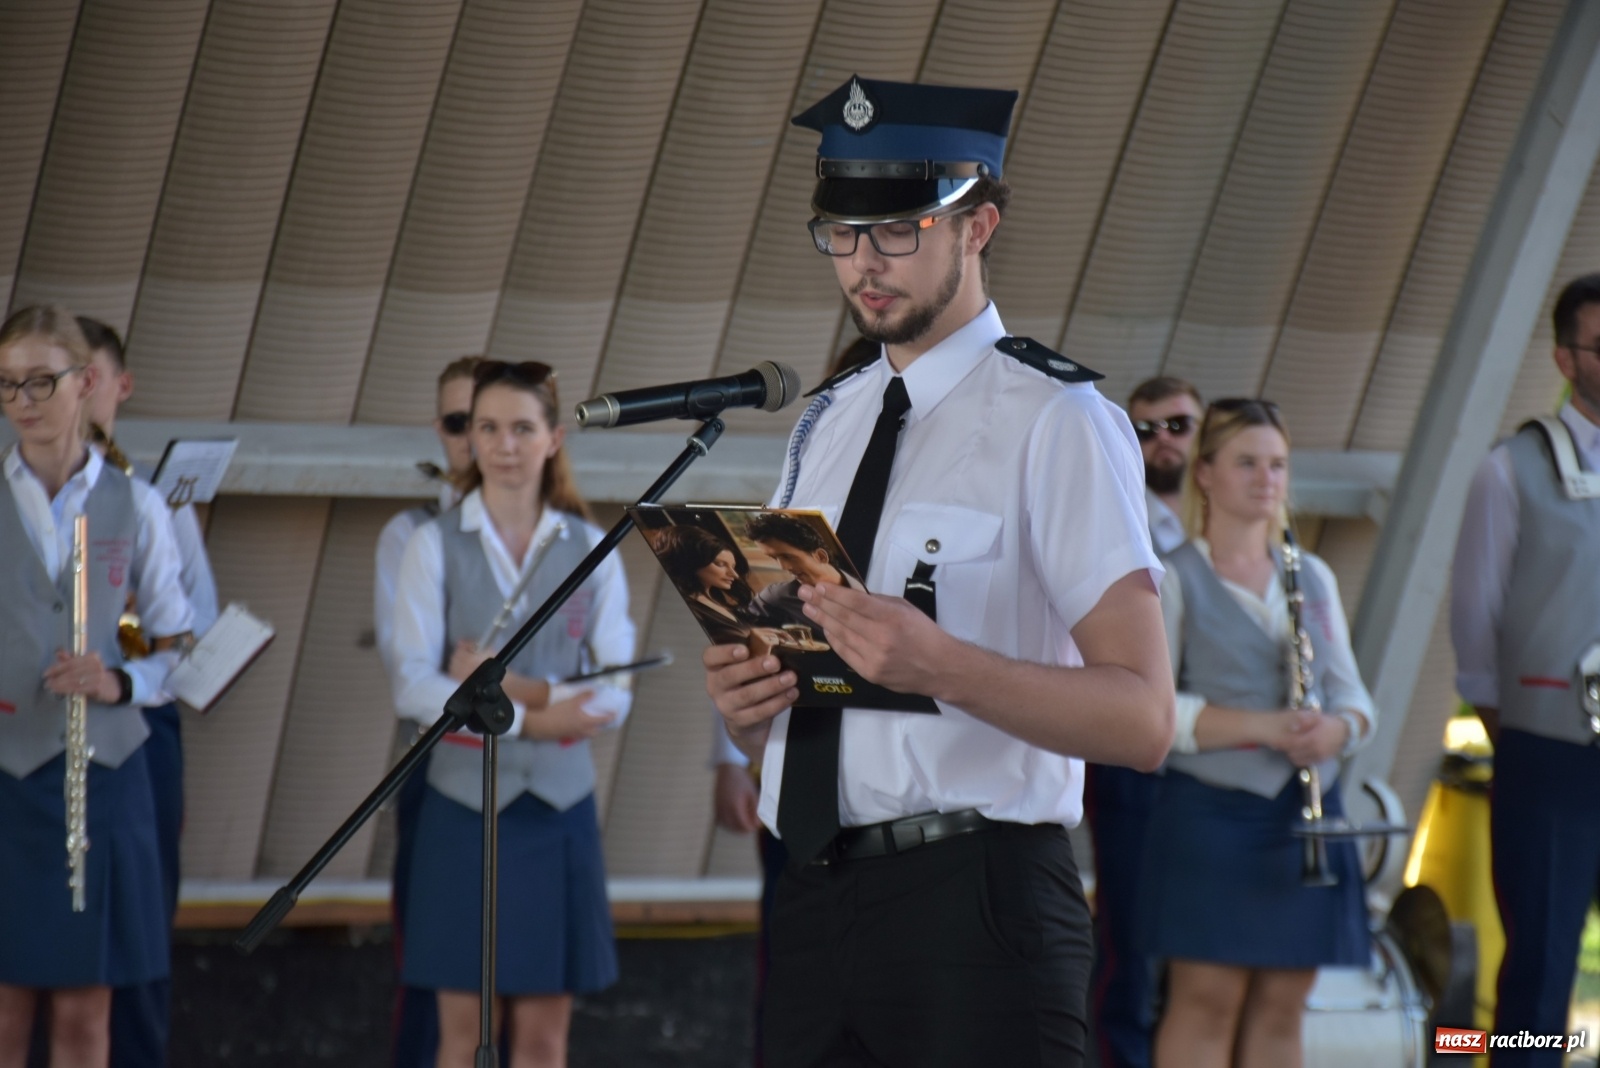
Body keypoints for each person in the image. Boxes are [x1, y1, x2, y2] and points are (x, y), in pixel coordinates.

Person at [703, 76, 1174, 1068]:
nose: (865, 263)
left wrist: (941, 666)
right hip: (814, 896)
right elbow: (813, 694)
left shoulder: (1058, 419)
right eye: (842, 233)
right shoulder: (827, 420)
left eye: (899, 231)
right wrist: (753, 713)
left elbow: (1142, 719)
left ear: (978, 225)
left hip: (978, 901)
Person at [388, 359, 635, 1068]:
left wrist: (517, 691)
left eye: (521, 428)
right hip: (461, 810)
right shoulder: (432, 544)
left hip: (561, 811)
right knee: (462, 1040)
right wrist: (536, 717)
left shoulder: (592, 548)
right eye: (485, 427)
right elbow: (412, 684)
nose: (501, 444)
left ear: (554, 438)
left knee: (543, 1041)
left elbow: (614, 689)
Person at [1139, 398, 1374, 1068]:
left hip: (1304, 817)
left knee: (1283, 1004)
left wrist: (1338, 729)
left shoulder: (1313, 575)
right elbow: (1157, 712)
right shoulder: (1174, 577)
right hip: (1212, 815)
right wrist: (1267, 727)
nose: (1267, 479)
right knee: (1206, 1000)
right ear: (1206, 473)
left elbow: (1356, 700)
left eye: (1277, 464)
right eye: (1247, 462)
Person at [0, 306, 194, 1068]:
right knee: (6, 1012)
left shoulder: (137, 504)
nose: (23, 399)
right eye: (9, 383)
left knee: (86, 1016)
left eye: (40, 381)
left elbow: (180, 648)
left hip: (106, 779)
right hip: (7, 775)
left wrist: (120, 680)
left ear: (86, 384)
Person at [1450, 272, 1600, 1067]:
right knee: (1540, 967)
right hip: (1550, 751)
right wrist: (1520, 734)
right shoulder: (1510, 470)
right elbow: (1476, 626)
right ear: (1565, 357)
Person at [75, 316, 220, 1068]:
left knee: (135, 921)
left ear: (116, 386)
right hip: (34, 733)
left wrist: (128, 661)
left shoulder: (157, 503)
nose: (68, 394)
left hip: (138, 730)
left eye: (84, 376)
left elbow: (190, 636)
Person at [1085, 374, 1202, 1068]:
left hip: (1212, 765)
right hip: (1140, 761)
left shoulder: (1217, 531)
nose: (1162, 441)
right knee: (1131, 940)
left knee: (1197, 950)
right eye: (1145, 429)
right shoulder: (1118, 517)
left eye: (1178, 425)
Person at [373, 354, 480, 1068]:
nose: (477, 439)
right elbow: (407, 678)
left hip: (530, 768)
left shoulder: (558, 537)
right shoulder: (411, 534)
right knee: (434, 980)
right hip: (441, 767)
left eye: (499, 422)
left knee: (531, 992)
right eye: (459, 422)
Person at [651, 524, 761, 646]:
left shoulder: (717, 599)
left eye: (733, 566)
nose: (734, 575)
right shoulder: (689, 610)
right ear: (693, 563)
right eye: (720, 564)